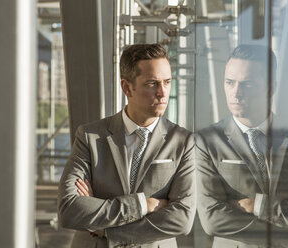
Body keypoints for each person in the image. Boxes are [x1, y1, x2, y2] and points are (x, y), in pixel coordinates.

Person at [196, 44, 288, 247]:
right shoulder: (206, 141)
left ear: (271, 88)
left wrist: (258, 206)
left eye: (247, 84)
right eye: (229, 82)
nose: (236, 93)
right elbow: (213, 220)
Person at [58, 43, 196, 247]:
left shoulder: (184, 142)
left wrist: (103, 228)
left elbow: (182, 220)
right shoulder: (90, 136)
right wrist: (143, 204)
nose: (162, 92)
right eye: (152, 83)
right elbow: (69, 209)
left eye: (167, 82)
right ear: (127, 87)